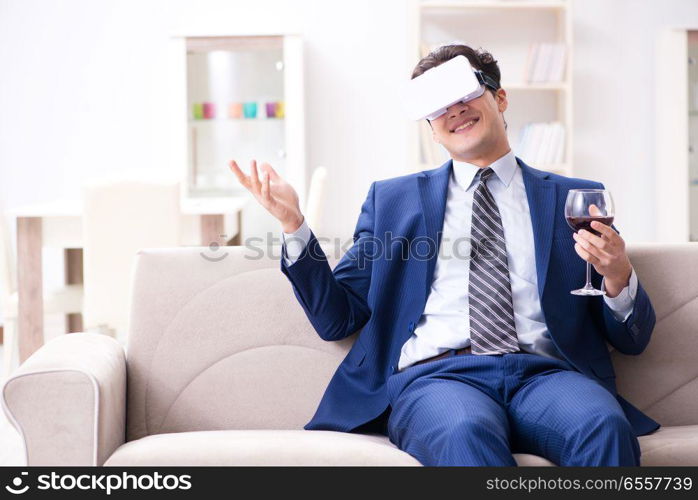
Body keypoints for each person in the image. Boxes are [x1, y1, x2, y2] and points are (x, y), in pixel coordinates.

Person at [228, 44, 659, 466]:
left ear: (500, 97)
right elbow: (337, 319)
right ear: (431, 128)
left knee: (603, 426)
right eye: (438, 107)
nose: (454, 110)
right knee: (463, 433)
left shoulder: (574, 198)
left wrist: (618, 276)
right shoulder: (392, 201)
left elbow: (632, 340)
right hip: (438, 379)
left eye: (466, 94)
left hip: (546, 375)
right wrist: (293, 225)